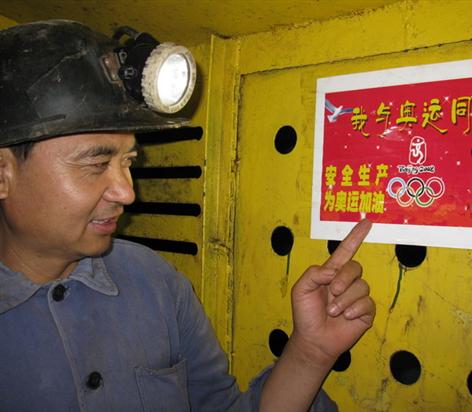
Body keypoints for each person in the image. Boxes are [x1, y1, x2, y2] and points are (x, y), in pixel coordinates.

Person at [0, 20, 375, 411]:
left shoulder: (154, 282)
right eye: (96, 164)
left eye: (128, 162)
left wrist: (309, 353)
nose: (127, 192)